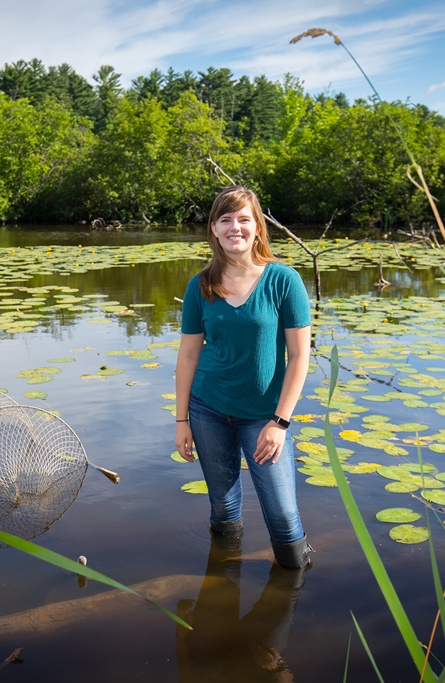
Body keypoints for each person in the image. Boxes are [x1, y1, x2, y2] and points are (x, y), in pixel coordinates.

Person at [174, 185, 312, 569]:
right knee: (222, 504)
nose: (236, 227)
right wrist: (182, 420)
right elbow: (187, 356)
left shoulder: (284, 281)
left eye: (244, 219)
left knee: (284, 515)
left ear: (258, 228)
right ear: (214, 229)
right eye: (226, 219)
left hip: (264, 416)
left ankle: (293, 585)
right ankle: (222, 582)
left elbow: (300, 356)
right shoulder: (201, 285)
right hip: (208, 410)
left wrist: (280, 422)